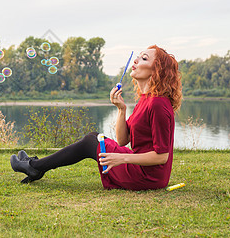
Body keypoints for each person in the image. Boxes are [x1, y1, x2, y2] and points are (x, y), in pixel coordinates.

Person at [11, 45, 182, 190]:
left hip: (148, 177)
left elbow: (161, 157)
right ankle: (35, 167)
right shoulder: (145, 100)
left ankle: (34, 167)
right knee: (93, 137)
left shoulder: (158, 104)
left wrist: (121, 158)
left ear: (157, 70)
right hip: (140, 167)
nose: (136, 61)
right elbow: (123, 140)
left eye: (144, 58)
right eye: (137, 57)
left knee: (90, 142)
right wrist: (121, 109)